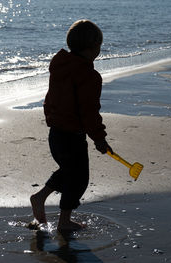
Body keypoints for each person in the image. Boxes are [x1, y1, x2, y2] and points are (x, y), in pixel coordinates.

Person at [30, 19, 113, 232]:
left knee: (69, 171)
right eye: (99, 46)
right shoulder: (89, 76)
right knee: (78, 178)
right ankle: (64, 221)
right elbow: (89, 111)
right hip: (72, 136)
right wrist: (99, 138)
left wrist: (52, 118)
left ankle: (40, 198)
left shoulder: (60, 67)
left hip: (56, 133)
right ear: (93, 47)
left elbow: (50, 99)